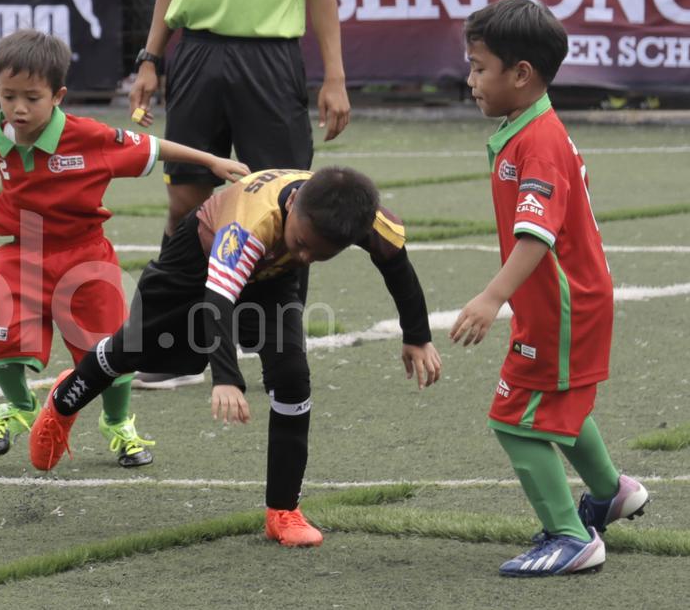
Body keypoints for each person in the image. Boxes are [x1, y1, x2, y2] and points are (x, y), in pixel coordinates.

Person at [27, 167, 442, 547]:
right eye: (302, 244)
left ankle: (284, 510)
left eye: (319, 255)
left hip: (270, 279)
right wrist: (226, 378)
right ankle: (65, 399)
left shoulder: (365, 218)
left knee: (292, 376)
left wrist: (417, 336)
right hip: (192, 265)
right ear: (293, 205)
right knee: (145, 352)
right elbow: (217, 302)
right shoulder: (250, 224)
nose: (306, 258)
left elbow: (397, 267)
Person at [0, 30, 249, 467]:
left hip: (85, 258)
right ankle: (19, 407)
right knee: (2, 342)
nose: (19, 108)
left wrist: (211, 161)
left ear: (58, 95)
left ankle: (117, 423)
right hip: (21, 255)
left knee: (112, 350)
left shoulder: (90, 138)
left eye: (32, 98)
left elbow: (153, 147)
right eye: (8, 96)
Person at [450, 0, 649, 576]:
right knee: (554, 402)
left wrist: (490, 299)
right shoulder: (530, 127)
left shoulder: (538, 140)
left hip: (563, 307)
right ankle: (611, 492)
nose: (470, 81)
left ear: (521, 74)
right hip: (568, 304)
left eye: (478, 68)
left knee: (513, 418)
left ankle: (571, 537)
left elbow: (536, 237)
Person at [128, 0, 350, 390]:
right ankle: (172, 349)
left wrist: (334, 76)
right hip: (196, 55)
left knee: (290, 207)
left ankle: (279, 350)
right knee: (185, 203)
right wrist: (150, 58)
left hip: (270, 60)